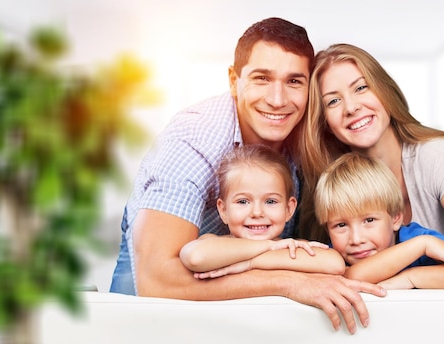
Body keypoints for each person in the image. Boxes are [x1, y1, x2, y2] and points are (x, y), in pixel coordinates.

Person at [109, 19, 385, 335]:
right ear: (233, 80)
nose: (278, 100)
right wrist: (289, 282)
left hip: (254, 268)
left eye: (294, 81)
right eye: (262, 78)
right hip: (165, 266)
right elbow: (157, 279)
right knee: (136, 328)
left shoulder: (309, 131)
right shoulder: (192, 140)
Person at [296, 43, 444, 333]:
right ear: (324, 122)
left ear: (384, 91)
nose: (351, 107)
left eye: (361, 88)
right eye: (333, 102)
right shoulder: (337, 181)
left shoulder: (434, 155)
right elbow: (349, 273)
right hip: (425, 264)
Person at [314, 151, 444, 289]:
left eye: (369, 220)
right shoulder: (332, 256)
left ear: (396, 218)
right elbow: (353, 276)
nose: (356, 239)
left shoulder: (419, 239)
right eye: (341, 225)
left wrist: (411, 278)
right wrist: (421, 246)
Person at [179, 144, 345, 279]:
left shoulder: (292, 247)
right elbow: (196, 257)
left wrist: (250, 263)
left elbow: (335, 263)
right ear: (223, 210)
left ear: (289, 209)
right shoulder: (214, 242)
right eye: (243, 201)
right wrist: (268, 246)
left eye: (270, 201)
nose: (257, 213)